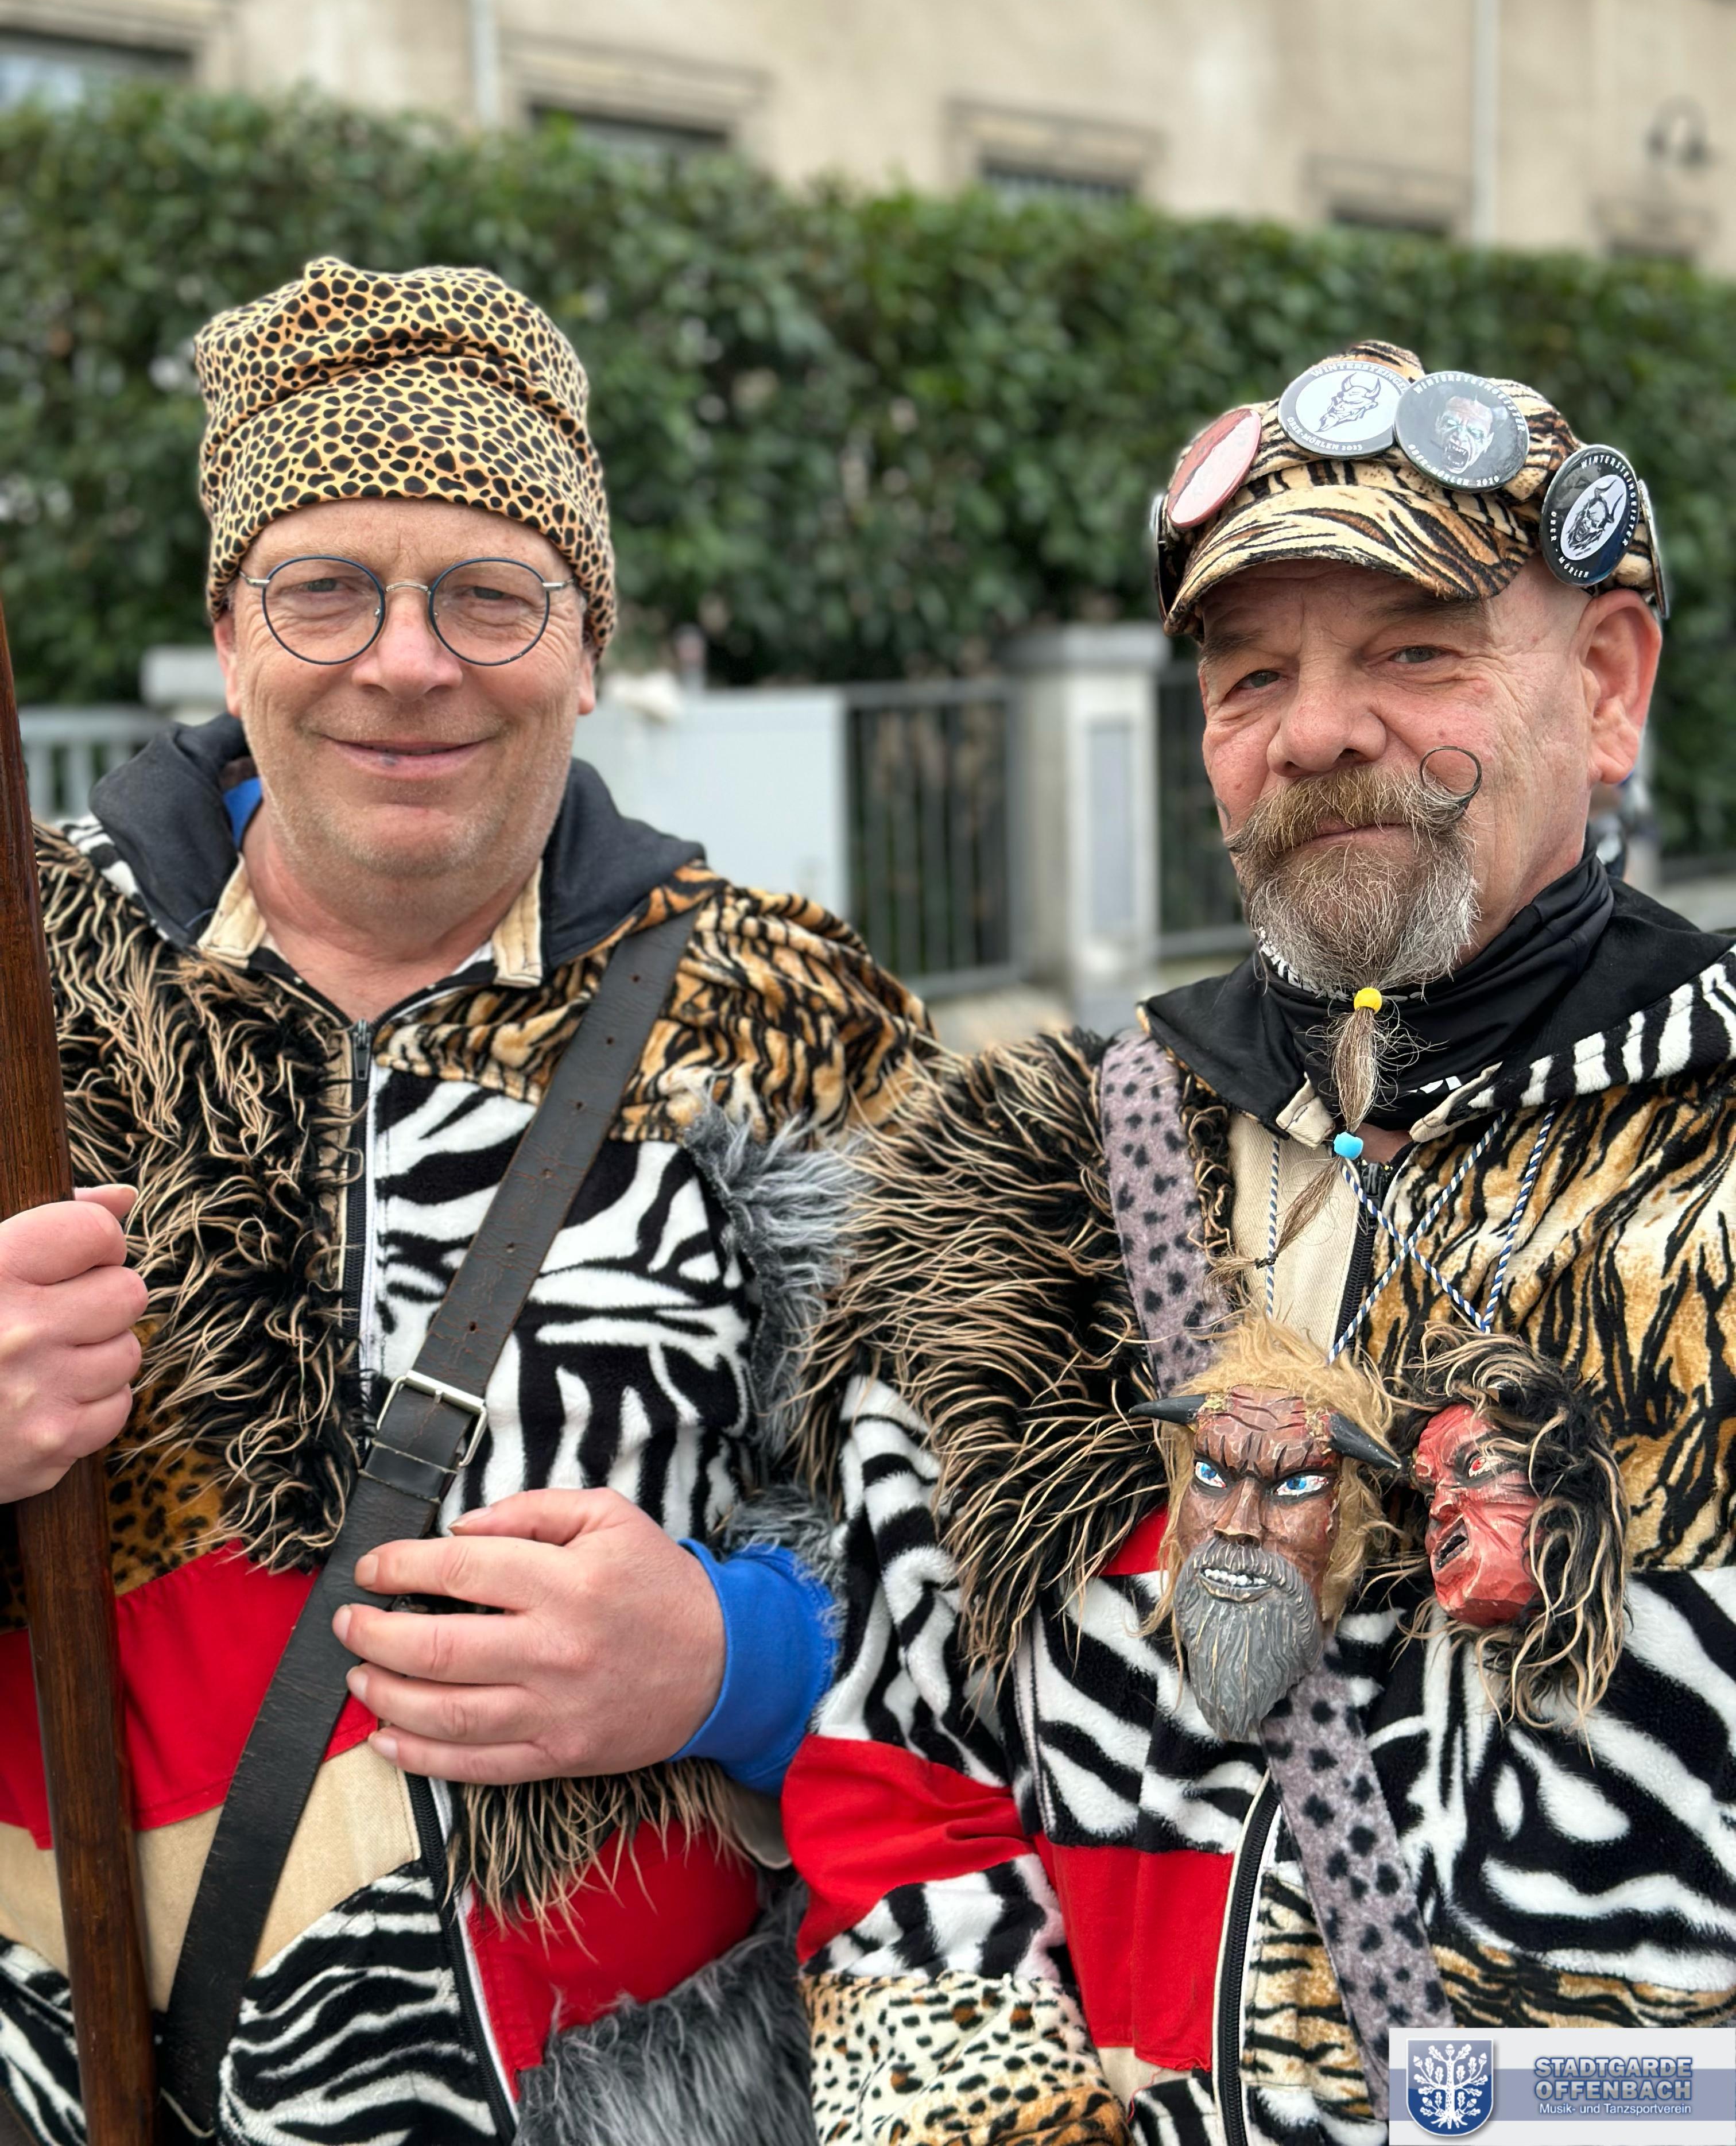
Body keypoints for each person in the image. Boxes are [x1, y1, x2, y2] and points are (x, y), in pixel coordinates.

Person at [0, 256, 925, 2145]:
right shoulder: (20, 989)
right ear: (230, 634)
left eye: (491, 596)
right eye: (324, 588)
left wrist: (739, 1661)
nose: (407, 660)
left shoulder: (793, 1022)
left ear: (588, 648)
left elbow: (1020, 1591)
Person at [784, 342, 1736, 2146]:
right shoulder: (1024, 1206)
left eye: (1416, 652)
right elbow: (906, 1792)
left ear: (1608, 686)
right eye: (1251, 676)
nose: (1314, 733)